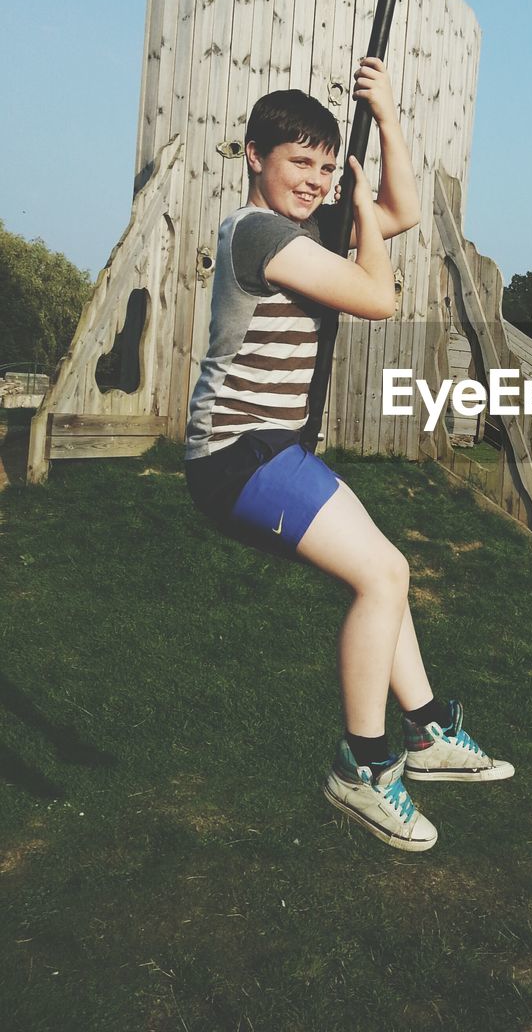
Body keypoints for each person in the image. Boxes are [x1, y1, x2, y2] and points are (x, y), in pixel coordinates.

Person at [184, 60, 513, 853]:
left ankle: (428, 731)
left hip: (274, 450)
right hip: (238, 453)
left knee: (385, 573)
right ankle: (364, 768)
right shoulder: (257, 232)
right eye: (300, 162)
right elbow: (378, 298)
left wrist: (388, 116)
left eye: (328, 168)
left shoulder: (306, 233)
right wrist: (358, 211)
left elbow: (396, 209)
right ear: (254, 154)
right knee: (385, 575)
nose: (316, 180)